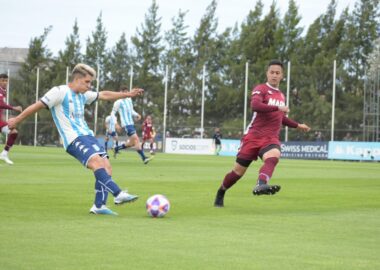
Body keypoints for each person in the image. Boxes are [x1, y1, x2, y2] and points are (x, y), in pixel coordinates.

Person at [8, 63, 143, 215]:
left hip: (88, 136)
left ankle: (99, 206)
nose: (89, 85)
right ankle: (118, 193)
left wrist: (128, 95)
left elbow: (104, 95)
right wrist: (17, 119)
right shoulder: (59, 92)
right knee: (96, 163)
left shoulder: (83, 95)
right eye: (87, 82)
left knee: (107, 166)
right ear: (77, 79)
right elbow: (37, 106)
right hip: (73, 138)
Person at [214, 60, 311, 207]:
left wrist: (297, 125)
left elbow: (281, 117)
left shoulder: (281, 96)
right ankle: (221, 191)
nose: (274, 75)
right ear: (267, 73)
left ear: (282, 76)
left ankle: (261, 184)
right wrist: (278, 108)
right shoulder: (261, 89)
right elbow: (255, 105)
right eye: (272, 72)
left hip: (270, 137)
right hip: (253, 136)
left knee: (273, 156)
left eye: (277, 73)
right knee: (237, 173)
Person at [112, 86, 153, 164]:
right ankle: (144, 158)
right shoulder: (118, 102)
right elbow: (113, 113)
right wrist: (116, 123)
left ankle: (116, 148)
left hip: (131, 123)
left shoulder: (129, 99)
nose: (126, 93)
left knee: (131, 143)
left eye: (127, 92)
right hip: (126, 125)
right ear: (120, 92)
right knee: (136, 140)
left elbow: (131, 111)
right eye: (124, 92)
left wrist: (137, 114)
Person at [0, 73, 23, 165]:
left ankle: (4, 154)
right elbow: (0, 104)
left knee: (14, 132)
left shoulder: (3, 91)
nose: (4, 82)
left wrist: (3, 118)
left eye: (6, 80)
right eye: (2, 80)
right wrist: (14, 108)